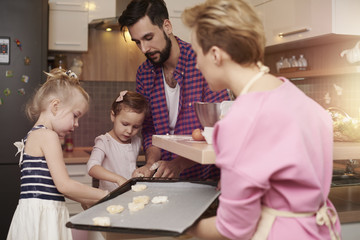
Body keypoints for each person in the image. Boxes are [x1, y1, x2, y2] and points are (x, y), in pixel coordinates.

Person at [182, 0, 341, 239]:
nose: (196, 63)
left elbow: (233, 229)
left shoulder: (242, 120)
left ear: (215, 54)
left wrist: (181, 227)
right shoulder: (304, 102)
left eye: (196, 53)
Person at [118, 0, 230, 180]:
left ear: (167, 26)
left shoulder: (203, 63)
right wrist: (150, 164)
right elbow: (150, 129)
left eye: (148, 38)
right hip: (167, 179)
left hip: (207, 180)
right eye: (137, 42)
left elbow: (219, 131)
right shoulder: (144, 73)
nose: (144, 49)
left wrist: (178, 165)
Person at [7, 68, 108, 240]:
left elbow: (54, 187)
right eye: (75, 116)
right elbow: (64, 185)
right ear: (55, 106)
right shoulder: (48, 136)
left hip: (32, 218)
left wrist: (86, 199)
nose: (76, 124)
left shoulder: (34, 134)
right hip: (44, 218)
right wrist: (107, 195)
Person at [87, 90, 149, 192]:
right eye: (125, 124)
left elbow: (127, 165)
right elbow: (92, 167)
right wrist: (118, 179)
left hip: (128, 195)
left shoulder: (136, 141)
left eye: (136, 127)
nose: (129, 131)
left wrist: (137, 172)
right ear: (113, 116)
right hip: (109, 198)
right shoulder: (104, 141)